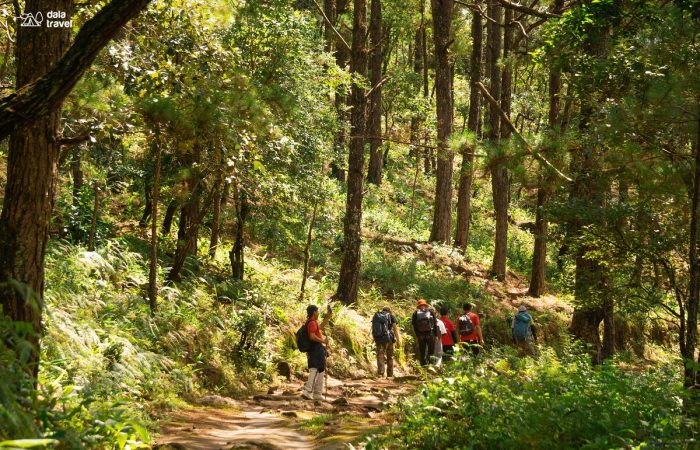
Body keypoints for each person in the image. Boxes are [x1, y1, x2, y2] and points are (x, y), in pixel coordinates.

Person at [302, 304, 331, 400]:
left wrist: (327, 318)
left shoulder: (312, 322)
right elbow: (312, 336)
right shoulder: (312, 323)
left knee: (320, 370)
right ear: (314, 312)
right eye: (317, 311)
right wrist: (323, 341)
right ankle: (307, 391)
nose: (318, 313)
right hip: (315, 350)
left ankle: (317, 394)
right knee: (315, 370)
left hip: (316, 350)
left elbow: (320, 328)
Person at [372, 306, 400, 377]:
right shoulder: (391, 316)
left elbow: (374, 328)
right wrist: (398, 340)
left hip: (379, 339)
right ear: (389, 311)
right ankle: (390, 374)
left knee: (380, 356)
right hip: (389, 339)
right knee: (390, 356)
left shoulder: (377, 316)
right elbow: (395, 329)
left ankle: (381, 373)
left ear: (382, 310)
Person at [411, 299, 438, 366]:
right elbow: (435, 324)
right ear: (425, 305)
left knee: (422, 351)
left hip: (420, 335)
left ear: (418, 306)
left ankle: (423, 366)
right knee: (431, 351)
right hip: (430, 334)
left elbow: (414, 326)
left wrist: (417, 335)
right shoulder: (431, 312)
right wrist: (436, 335)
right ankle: (431, 365)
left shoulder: (415, 313)